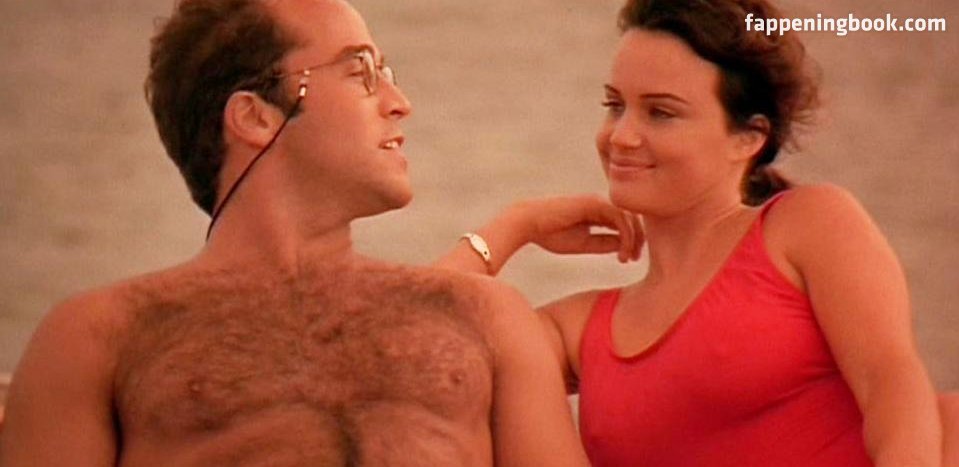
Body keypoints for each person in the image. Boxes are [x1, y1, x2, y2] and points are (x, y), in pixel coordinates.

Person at [0, 0, 597, 465]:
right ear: (256, 116)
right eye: (361, 71)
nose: (399, 102)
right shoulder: (96, 340)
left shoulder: (487, 319)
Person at [440, 0, 949, 465]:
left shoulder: (807, 225)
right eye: (615, 106)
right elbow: (419, 356)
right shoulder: (578, 330)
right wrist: (515, 225)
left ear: (748, 138)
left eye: (660, 113)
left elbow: (894, 394)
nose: (622, 136)